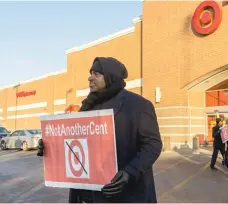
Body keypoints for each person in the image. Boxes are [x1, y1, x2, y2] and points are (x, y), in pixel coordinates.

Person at [37, 57, 163, 203]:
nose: (90, 78)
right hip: (86, 196)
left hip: (125, 195)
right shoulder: (87, 107)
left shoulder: (138, 105)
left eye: (96, 74)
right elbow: (74, 145)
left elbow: (152, 145)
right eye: (90, 73)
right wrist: (49, 146)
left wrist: (129, 172)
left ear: (111, 76)